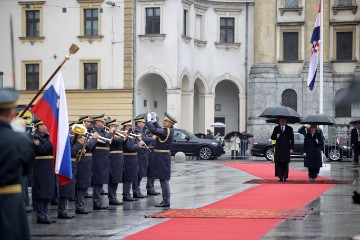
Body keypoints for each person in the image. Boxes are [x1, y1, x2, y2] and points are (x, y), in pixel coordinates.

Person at [0, 88, 35, 240]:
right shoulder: (20, 140)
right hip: (10, 201)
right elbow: (26, 169)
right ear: (13, 112)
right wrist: (19, 133)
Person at [146, 112, 176, 207]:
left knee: (163, 180)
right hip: (162, 156)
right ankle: (165, 200)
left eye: (166, 121)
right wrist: (155, 121)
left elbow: (154, 130)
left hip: (162, 157)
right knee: (163, 179)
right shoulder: (167, 130)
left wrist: (149, 121)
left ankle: (166, 201)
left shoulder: (166, 131)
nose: (164, 122)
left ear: (170, 123)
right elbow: (158, 129)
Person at [32, 119, 58, 223]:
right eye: (44, 125)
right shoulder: (35, 138)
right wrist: (51, 141)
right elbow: (41, 149)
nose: (46, 126)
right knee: (41, 192)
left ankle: (45, 214)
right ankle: (40, 215)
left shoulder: (47, 137)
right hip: (40, 167)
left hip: (49, 167)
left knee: (48, 192)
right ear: (39, 126)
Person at [75, 118, 98, 214]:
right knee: (82, 185)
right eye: (88, 122)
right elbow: (89, 147)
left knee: (85, 185)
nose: (89, 124)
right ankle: (79, 206)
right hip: (82, 162)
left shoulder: (86, 134)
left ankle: (81, 205)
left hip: (87, 161)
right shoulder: (80, 135)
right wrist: (94, 139)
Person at [91, 114, 113, 210]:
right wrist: (111, 132)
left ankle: (98, 201)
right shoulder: (95, 131)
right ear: (97, 122)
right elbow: (104, 141)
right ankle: (96, 202)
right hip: (98, 159)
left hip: (103, 159)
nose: (104, 123)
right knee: (98, 181)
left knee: (101, 181)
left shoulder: (102, 131)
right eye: (102, 122)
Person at [133, 114, 155, 198]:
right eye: (143, 122)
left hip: (143, 154)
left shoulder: (143, 130)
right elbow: (143, 139)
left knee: (140, 174)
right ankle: (136, 191)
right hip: (139, 154)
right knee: (138, 174)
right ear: (138, 123)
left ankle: (137, 190)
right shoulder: (136, 131)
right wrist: (153, 138)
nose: (144, 124)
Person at [122, 120, 144, 201]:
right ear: (125, 127)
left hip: (133, 158)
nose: (131, 128)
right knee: (128, 177)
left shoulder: (130, 135)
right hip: (128, 158)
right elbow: (129, 147)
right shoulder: (125, 136)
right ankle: (126, 194)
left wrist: (137, 141)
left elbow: (132, 145)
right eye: (129, 126)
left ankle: (129, 193)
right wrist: (139, 145)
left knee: (132, 177)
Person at [106, 119, 125, 205]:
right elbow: (119, 141)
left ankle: (114, 196)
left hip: (119, 158)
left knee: (117, 178)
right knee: (113, 178)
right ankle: (112, 197)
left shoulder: (115, 134)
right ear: (110, 127)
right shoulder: (109, 134)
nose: (116, 128)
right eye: (114, 126)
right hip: (113, 157)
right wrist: (122, 136)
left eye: (116, 127)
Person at [271, 118, 294, 182]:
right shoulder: (276, 128)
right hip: (278, 148)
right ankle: (280, 177)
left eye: (283, 121)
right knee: (278, 163)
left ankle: (285, 177)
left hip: (286, 148)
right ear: (279, 121)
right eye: (281, 121)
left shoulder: (289, 128)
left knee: (285, 163)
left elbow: (292, 139)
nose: (282, 122)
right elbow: (272, 137)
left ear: (286, 121)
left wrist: (291, 148)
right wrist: (276, 136)